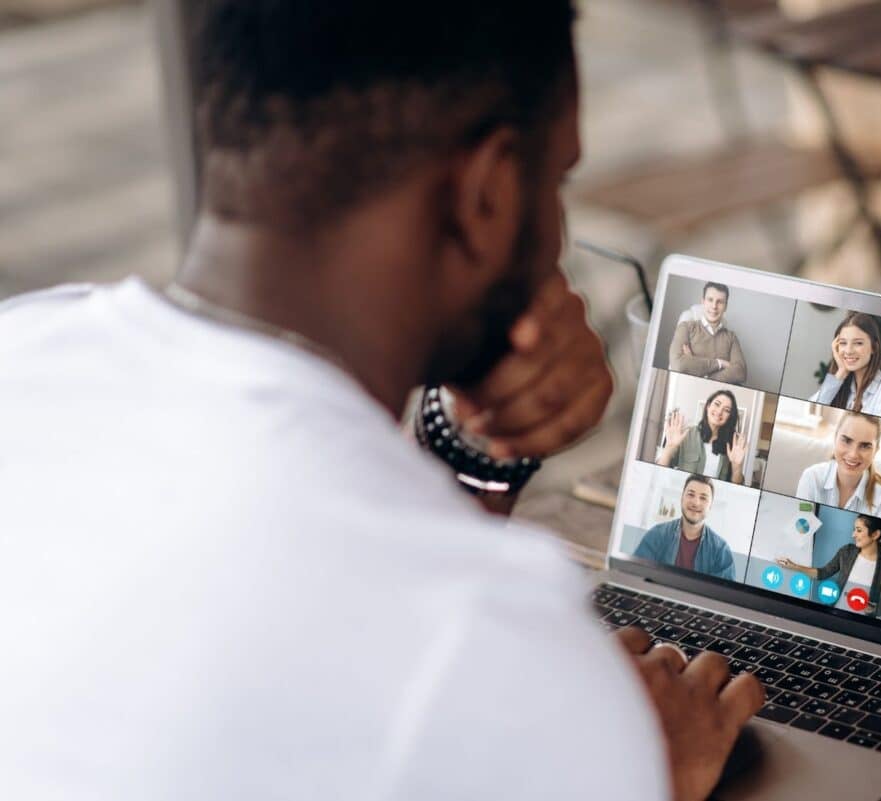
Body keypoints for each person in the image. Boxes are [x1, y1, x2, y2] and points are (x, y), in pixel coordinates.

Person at [0, 4, 763, 801]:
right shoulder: (494, 642)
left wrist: (468, 454)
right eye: (557, 175)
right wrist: (640, 764)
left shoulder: (20, 348)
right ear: (487, 194)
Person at [776, 515, 881, 613]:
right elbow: (823, 573)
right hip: (836, 613)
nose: (853, 535)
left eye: (859, 530)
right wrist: (794, 567)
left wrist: (874, 608)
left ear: (875, 534)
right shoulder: (846, 552)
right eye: (854, 529)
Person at [634, 475, 737, 580]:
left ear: (710, 506)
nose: (696, 503)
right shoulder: (656, 534)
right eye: (691, 494)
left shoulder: (721, 550)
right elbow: (635, 574)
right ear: (682, 498)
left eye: (703, 498)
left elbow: (720, 593)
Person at [795, 411, 881, 517]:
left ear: (876, 450)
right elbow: (800, 525)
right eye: (847, 441)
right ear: (835, 438)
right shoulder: (812, 478)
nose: (853, 454)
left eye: (865, 446)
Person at [810, 312, 881, 421]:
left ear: (874, 347)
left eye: (858, 343)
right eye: (843, 343)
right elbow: (812, 414)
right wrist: (841, 373)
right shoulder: (842, 384)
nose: (848, 351)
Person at [656, 389, 749, 485]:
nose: (719, 411)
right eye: (717, 404)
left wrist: (737, 467)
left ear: (730, 417)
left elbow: (735, 487)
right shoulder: (686, 434)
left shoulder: (731, 447)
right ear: (708, 406)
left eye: (726, 410)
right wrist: (669, 448)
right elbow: (659, 474)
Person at [668, 282, 747, 385]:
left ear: (725, 307)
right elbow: (678, 365)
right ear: (703, 302)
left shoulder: (731, 337)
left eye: (720, 302)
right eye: (710, 300)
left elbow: (740, 373)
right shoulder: (686, 327)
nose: (714, 306)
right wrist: (720, 363)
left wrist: (695, 366)